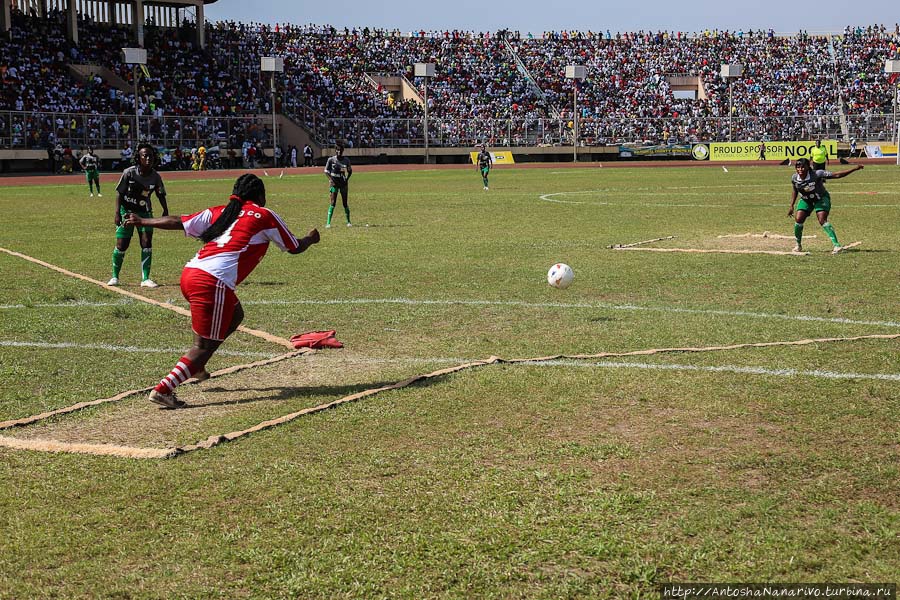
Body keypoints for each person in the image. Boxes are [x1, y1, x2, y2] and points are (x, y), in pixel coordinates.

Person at [123, 174, 320, 408]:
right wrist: (310, 238)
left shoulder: (221, 211)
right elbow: (294, 247)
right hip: (211, 283)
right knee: (202, 347)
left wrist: (143, 221)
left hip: (191, 274)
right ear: (259, 195)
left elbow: (179, 221)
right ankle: (164, 389)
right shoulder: (264, 215)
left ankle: (197, 366)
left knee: (235, 315)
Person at [108, 143, 169, 287]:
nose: (148, 158)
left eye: (151, 156)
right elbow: (119, 193)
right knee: (122, 244)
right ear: (138, 158)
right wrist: (117, 213)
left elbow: (161, 194)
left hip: (145, 213)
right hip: (126, 212)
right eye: (145, 156)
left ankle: (145, 279)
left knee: (146, 242)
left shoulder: (155, 177)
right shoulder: (128, 173)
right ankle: (115, 277)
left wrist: (165, 210)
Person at [788, 158, 863, 254]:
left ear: (808, 167)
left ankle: (837, 246)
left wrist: (854, 169)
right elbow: (795, 190)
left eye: (803, 167)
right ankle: (798, 245)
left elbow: (837, 175)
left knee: (822, 219)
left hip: (821, 198)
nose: (800, 169)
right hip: (806, 200)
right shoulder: (794, 178)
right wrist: (791, 205)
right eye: (798, 167)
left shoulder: (817, 174)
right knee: (798, 220)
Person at [324, 142, 352, 228]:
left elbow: (350, 171)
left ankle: (348, 222)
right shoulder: (331, 160)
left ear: (343, 150)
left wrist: (346, 179)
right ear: (335, 150)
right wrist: (330, 180)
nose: (338, 151)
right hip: (334, 184)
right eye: (337, 150)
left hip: (343, 184)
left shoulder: (346, 160)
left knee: (345, 203)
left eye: (340, 150)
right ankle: (328, 223)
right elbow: (326, 171)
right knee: (333, 202)